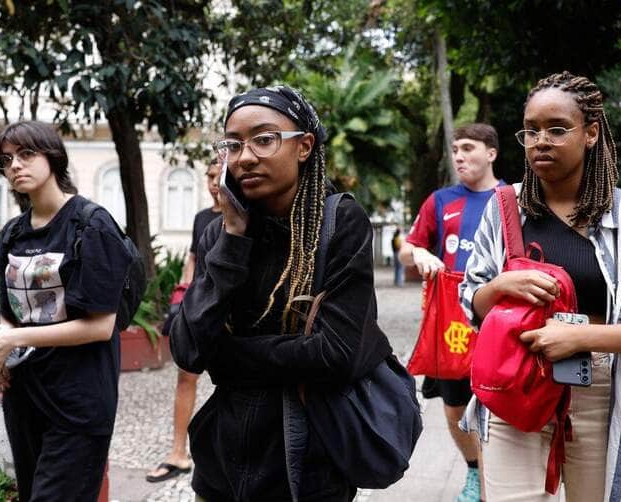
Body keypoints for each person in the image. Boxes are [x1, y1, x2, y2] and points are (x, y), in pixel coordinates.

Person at [169, 85, 393, 501]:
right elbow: (187, 350)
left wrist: (230, 356)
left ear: (304, 146)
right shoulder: (218, 231)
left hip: (307, 465)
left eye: (264, 139)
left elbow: (337, 354)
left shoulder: (339, 222)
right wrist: (233, 238)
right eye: (232, 144)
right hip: (221, 463)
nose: (246, 156)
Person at [459, 71, 621, 500]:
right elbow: (471, 299)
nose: (541, 141)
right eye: (531, 131)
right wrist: (498, 287)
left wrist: (577, 337)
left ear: (590, 133)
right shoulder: (503, 209)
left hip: (601, 392)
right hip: (514, 384)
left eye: (557, 129)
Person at [0, 121, 134, 501]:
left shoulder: (90, 224)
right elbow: (9, 310)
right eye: (6, 159)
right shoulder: (13, 233)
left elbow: (101, 326)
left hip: (79, 398)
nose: (15, 165)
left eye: (26, 154)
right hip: (25, 394)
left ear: (53, 156)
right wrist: (4, 355)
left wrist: (14, 337)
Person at [399, 123, 504, 502]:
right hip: (450, 322)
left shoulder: (512, 199)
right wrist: (420, 253)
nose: (458, 155)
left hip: (500, 319)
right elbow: (406, 249)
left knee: (499, 399)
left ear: (491, 153)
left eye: (468, 148)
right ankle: (475, 470)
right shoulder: (441, 200)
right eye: (455, 149)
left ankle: (502, 475)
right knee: (454, 403)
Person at [146, 157, 222, 482]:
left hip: (232, 314)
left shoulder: (249, 215)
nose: (214, 181)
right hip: (199, 310)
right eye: (210, 176)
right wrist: (185, 291)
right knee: (186, 377)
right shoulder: (202, 217)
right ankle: (178, 453)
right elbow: (193, 257)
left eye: (220, 175)